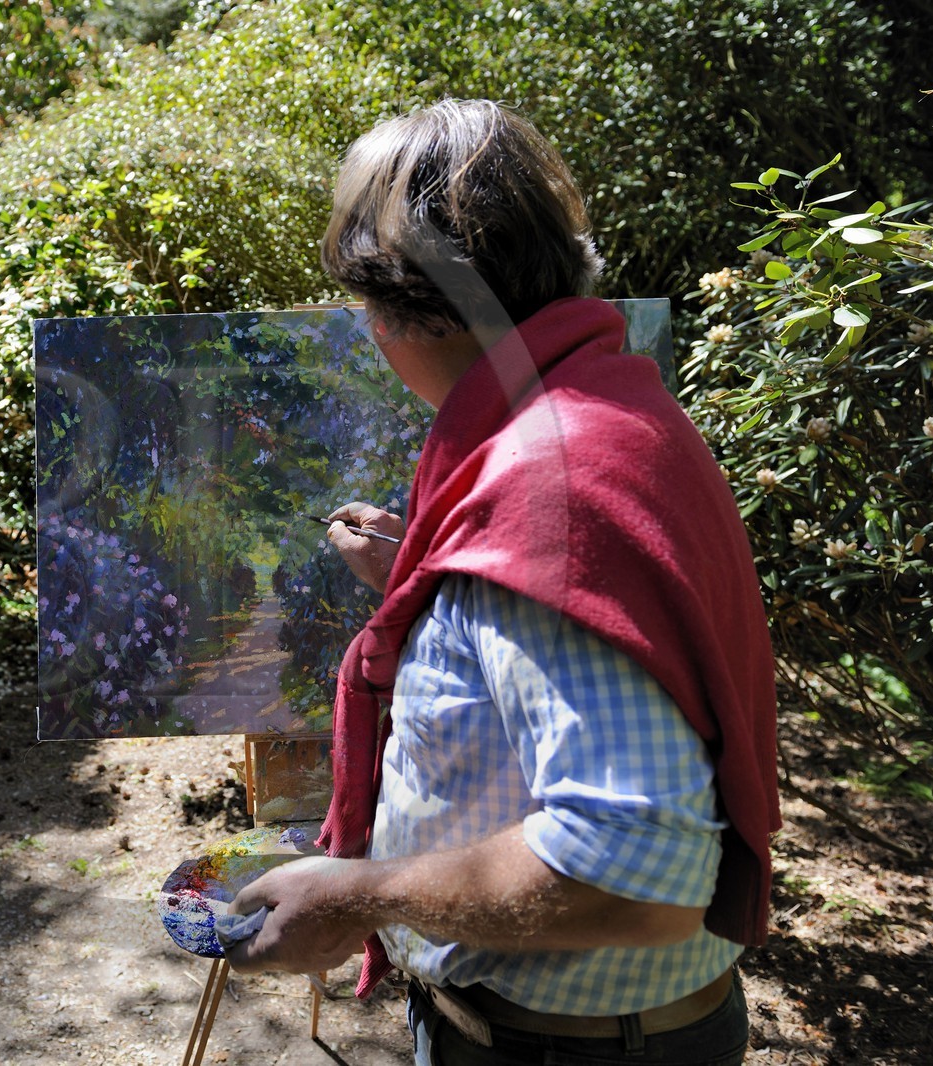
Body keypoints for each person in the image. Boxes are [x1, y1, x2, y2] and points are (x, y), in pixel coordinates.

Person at [223, 100, 779, 1066]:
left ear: (399, 307)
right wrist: (421, 581)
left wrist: (363, 894)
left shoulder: (550, 488)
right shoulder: (613, 408)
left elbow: (636, 872)